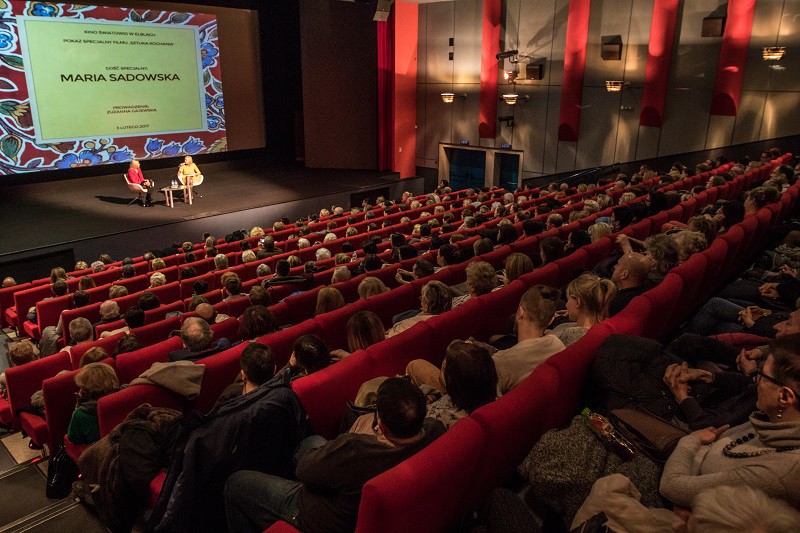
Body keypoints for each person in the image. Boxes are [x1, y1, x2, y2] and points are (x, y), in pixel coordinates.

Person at [223, 377, 446, 532]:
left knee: (235, 483)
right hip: (348, 497)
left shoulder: (356, 451)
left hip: (319, 516)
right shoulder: (436, 430)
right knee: (308, 443)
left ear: (382, 425)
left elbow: (304, 471)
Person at [659, 334, 800, 508]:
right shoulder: (773, 420)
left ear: (784, 396)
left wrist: (691, 440)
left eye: (763, 376)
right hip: (686, 467)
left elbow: (671, 486)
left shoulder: (778, 473)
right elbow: (716, 437)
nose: (757, 382)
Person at [550, 273, 616, 347]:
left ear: (578, 302)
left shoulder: (572, 336)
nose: (566, 305)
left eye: (568, 300)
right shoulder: (604, 329)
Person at [67, 362, 119, 445]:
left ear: (85, 389)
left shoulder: (81, 414)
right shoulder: (126, 395)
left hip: (98, 452)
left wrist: (78, 406)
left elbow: (73, 438)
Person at [386, 280, 452, 337]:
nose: (420, 299)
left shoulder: (410, 325)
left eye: (422, 298)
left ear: (426, 306)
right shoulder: (449, 319)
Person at [608, 252, 653, 316]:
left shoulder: (615, 303)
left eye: (618, 264)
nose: (615, 267)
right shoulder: (646, 289)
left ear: (624, 274)